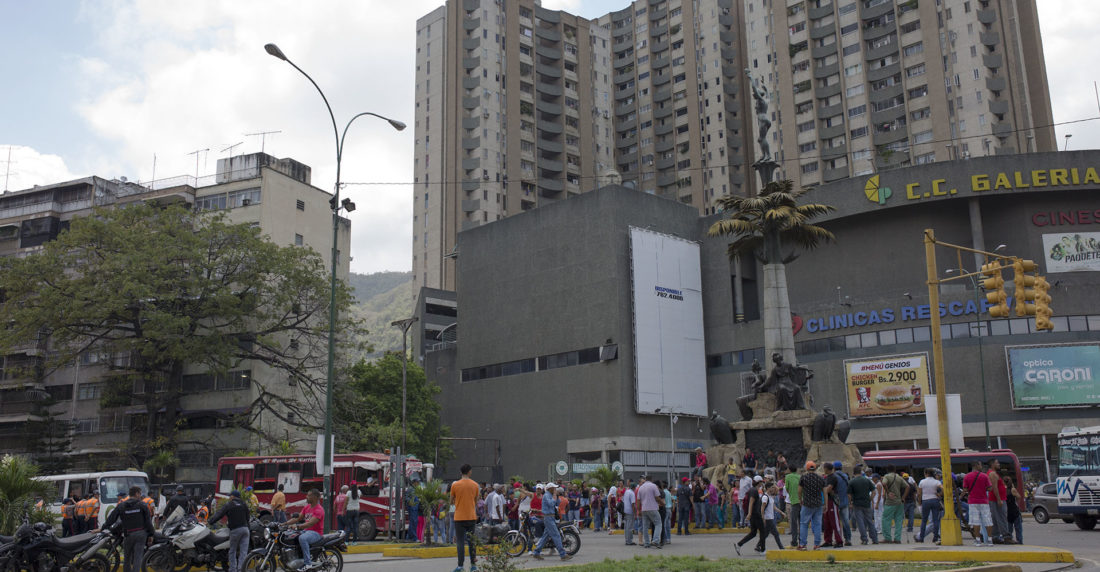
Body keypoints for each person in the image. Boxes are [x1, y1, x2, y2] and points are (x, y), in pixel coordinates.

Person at [100, 486, 154, 572]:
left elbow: (111, 519)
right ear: (136, 493)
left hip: (128, 534)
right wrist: (151, 534)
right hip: (141, 534)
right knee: (137, 557)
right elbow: (148, 521)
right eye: (140, 493)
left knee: (127, 557)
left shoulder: (121, 505)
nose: (140, 496)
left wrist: (102, 528)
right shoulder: (142, 505)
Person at [208, 489, 250, 572]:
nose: (229, 497)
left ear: (233, 496)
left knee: (232, 551)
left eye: (230, 496)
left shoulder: (229, 504)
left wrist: (210, 521)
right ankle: (241, 569)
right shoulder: (243, 504)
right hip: (245, 530)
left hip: (236, 530)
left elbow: (219, 514)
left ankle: (233, 569)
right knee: (243, 552)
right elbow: (247, 517)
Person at [284, 489, 325, 571]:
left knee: (303, 538)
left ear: (315, 497)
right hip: (307, 531)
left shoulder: (319, 510)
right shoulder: (307, 507)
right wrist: (284, 524)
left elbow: (310, 523)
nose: (306, 497)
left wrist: (297, 526)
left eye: (309, 495)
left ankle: (308, 563)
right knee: (290, 535)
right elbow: (297, 518)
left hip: (316, 533)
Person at [450, 464, 480, 572]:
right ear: (469, 472)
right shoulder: (475, 485)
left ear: (461, 472)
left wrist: (458, 501)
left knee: (460, 542)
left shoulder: (455, 485)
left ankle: (460, 566)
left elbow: (451, 501)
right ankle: (473, 565)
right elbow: (476, 501)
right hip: (471, 516)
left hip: (459, 517)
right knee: (472, 541)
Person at [531, 482, 572, 561]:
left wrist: (556, 496)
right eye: (554, 488)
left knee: (545, 536)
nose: (555, 489)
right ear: (550, 489)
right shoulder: (546, 495)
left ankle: (536, 552)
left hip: (551, 517)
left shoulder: (551, 495)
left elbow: (558, 502)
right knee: (556, 535)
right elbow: (551, 503)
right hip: (548, 517)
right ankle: (562, 554)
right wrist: (554, 496)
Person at [962, 461, 994, 546]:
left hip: (973, 502)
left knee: (976, 521)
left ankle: (978, 540)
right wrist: (983, 489)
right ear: (977, 465)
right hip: (984, 501)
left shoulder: (967, 476)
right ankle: (990, 540)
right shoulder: (984, 476)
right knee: (988, 520)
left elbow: (965, 489)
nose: (981, 466)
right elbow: (990, 488)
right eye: (980, 465)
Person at [734, 476, 766, 555]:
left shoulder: (754, 490)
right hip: (755, 514)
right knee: (763, 531)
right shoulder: (754, 490)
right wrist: (749, 514)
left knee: (753, 533)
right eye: (761, 482)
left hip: (754, 514)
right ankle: (762, 550)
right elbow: (751, 502)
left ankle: (739, 544)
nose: (762, 483)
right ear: (759, 482)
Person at [797, 461, 825, 550]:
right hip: (818, 504)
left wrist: (800, 499)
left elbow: (799, 490)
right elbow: (824, 492)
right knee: (817, 524)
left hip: (807, 503)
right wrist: (825, 504)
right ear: (815, 468)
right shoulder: (820, 478)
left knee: (804, 524)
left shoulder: (804, 477)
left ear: (807, 468)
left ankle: (803, 545)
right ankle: (817, 545)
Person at [987, 459, 1014, 544]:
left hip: (996, 499)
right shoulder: (992, 474)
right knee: (1002, 517)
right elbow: (994, 487)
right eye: (997, 463)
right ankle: (1006, 537)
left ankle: (995, 536)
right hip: (997, 500)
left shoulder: (994, 473)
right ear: (992, 464)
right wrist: (999, 499)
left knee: (996, 518)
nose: (999, 464)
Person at [848, 468, 878, 545]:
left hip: (857, 504)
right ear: (861, 473)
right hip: (866, 504)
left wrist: (850, 503)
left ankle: (864, 539)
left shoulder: (852, 482)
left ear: (854, 473)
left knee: (860, 522)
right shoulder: (867, 480)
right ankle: (875, 539)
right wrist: (870, 499)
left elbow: (849, 494)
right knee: (870, 521)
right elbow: (874, 492)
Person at [916, 468, 944, 544]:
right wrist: (940, 494)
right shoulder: (936, 481)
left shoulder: (922, 481)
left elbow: (919, 493)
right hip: (935, 500)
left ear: (926, 474)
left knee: (924, 520)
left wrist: (920, 502)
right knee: (935, 520)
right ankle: (935, 537)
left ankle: (921, 537)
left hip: (925, 501)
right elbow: (942, 488)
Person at [880, 465, 906, 544]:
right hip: (899, 502)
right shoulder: (899, 477)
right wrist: (903, 497)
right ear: (895, 470)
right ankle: (897, 538)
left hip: (890, 502)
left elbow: (884, 483)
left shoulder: (887, 476)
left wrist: (888, 492)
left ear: (887, 470)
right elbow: (907, 486)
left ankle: (887, 538)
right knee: (898, 520)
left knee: (886, 519)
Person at [821, 463, 844, 548]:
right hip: (827, 501)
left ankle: (839, 541)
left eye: (824, 468)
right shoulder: (826, 477)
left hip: (832, 501)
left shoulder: (833, 477)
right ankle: (828, 540)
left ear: (827, 468)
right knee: (827, 522)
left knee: (835, 521)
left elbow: (828, 489)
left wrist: (822, 490)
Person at [637, 475, 663, 548]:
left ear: (645, 479)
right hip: (652, 508)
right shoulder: (653, 486)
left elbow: (638, 500)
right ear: (651, 480)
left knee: (645, 527)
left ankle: (647, 543)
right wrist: (662, 503)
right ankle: (655, 540)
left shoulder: (641, 487)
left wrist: (638, 510)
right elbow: (657, 497)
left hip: (644, 509)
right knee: (658, 523)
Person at [832, 462, 852, 546]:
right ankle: (848, 539)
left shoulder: (833, 476)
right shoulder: (845, 476)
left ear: (834, 468)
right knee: (846, 521)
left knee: (836, 522)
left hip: (836, 502)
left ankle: (838, 539)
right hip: (845, 501)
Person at [784, 465, 801, 547]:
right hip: (802, 501)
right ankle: (802, 539)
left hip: (794, 501)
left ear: (789, 470)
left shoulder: (787, 477)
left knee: (794, 522)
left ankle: (794, 541)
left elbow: (787, 488)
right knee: (801, 522)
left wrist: (791, 493)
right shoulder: (800, 476)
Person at [1005, 476, 1024, 545]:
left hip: (1007, 511)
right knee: (1018, 528)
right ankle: (1019, 541)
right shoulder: (1013, 489)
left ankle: (1009, 540)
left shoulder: (1003, 490)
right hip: (1014, 510)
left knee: (1009, 528)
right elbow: (1019, 497)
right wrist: (1017, 503)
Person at [621, 481, 637, 546]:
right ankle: (629, 541)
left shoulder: (626, 492)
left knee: (626, 527)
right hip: (630, 511)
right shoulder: (632, 493)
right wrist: (635, 513)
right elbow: (633, 504)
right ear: (634, 487)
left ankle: (627, 540)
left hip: (625, 511)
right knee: (630, 527)